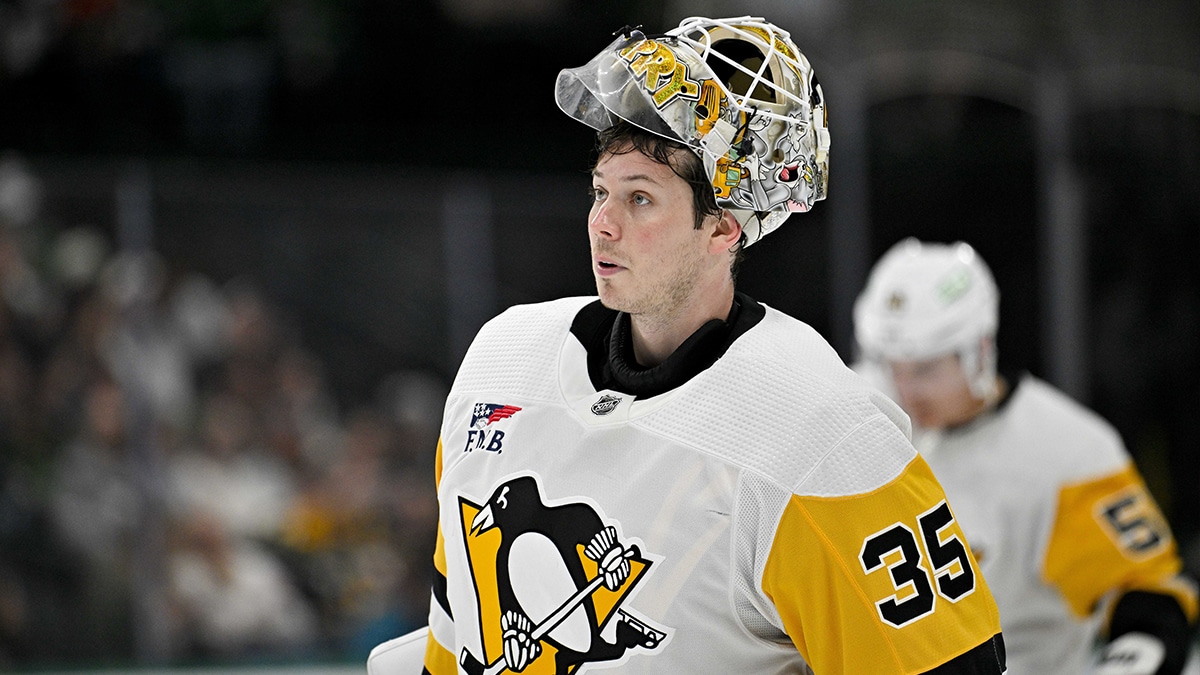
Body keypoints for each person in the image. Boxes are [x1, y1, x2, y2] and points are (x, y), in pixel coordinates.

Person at [417, 17, 1006, 674]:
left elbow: (954, 665)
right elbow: (453, 640)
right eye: (601, 191)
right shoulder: (502, 362)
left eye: (640, 198)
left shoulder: (818, 428)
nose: (602, 223)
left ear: (724, 227)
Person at [852, 238, 1198, 675]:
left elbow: (1151, 595)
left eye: (925, 369)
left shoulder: (1064, 454)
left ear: (979, 350)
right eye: (891, 365)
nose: (904, 389)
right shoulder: (856, 412)